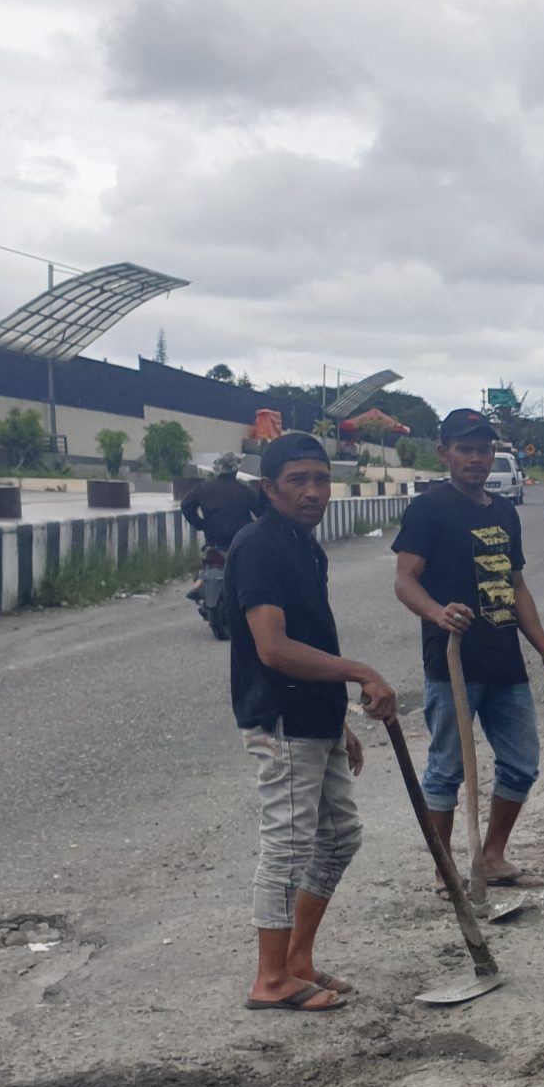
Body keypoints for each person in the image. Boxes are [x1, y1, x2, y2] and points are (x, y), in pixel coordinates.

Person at [225, 432, 397, 1012]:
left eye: (321, 479)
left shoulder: (305, 546)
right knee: (290, 846)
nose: (313, 491)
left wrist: (338, 720)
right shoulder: (258, 547)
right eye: (297, 480)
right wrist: (360, 672)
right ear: (268, 488)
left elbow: (310, 640)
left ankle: (298, 961)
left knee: (340, 836)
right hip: (280, 721)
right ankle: (270, 979)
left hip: (314, 717)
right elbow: (273, 649)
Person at [391, 408, 544, 890]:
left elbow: (516, 587)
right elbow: (405, 581)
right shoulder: (429, 509)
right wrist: (436, 613)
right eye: (466, 449)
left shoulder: (503, 512)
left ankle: (492, 857)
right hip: (452, 664)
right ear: (444, 453)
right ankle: (444, 868)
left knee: (521, 762)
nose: (476, 458)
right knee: (445, 770)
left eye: (484, 449)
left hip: (504, 664)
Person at [182, 455, 254, 602]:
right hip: (240, 543)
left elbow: (186, 505)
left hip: (213, 541)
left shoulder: (203, 489)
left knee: (206, 561)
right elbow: (261, 512)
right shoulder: (244, 491)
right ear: (235, 471)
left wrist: (200, 524)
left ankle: (200, 583)